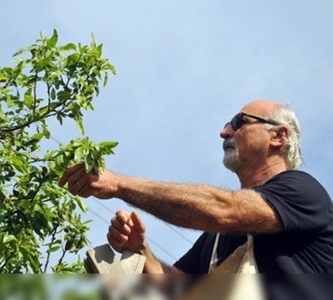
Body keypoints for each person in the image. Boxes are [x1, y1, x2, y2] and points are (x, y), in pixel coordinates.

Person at [59, 100, 333, 297]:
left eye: (239, 123)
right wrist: (142, 252)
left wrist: (119, 183)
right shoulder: (216, 238)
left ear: (279, 136)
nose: (225, 132)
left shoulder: (302, 191)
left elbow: (220, 210)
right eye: (227, 126)